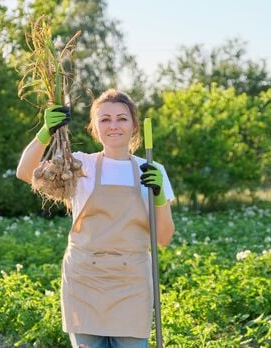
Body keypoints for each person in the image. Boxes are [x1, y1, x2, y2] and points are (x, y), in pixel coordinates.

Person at [16, 89, 175, 348]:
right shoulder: (80, 166)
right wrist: (45, 131)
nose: (114, 125)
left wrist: (158, 196)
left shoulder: (152, 170)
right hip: (84, 280)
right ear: (94, 127)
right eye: (105, 119)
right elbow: (25, 172)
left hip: (131, 283)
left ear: (135, 125)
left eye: (122, 118)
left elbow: (165, 238)